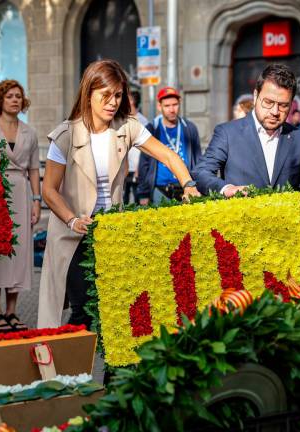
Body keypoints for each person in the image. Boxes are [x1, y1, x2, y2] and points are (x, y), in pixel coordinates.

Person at [37, 59, 201, 329]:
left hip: (110, 233)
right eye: (105, 95)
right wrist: (72, 220)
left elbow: (168, 156)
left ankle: (114, 372)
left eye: (118, 95)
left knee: (117, 312)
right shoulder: (66, 134)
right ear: (88, 93)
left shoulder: (127, 127)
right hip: (72, 233)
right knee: (83, 312)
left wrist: (188, 184)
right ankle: (69, 371)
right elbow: (49, 190)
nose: (112, 102)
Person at [194, 63, 300, 217]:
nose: (275, 112)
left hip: (285, 233)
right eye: (268, 102)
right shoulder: (227, 133)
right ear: (255, 96)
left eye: (283, 105)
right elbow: (202, 173)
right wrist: (227, 189)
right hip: (239, 230)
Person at [0, 79, 40, 334]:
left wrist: (37, 201)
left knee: (19, 254)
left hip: (22, 193)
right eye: (9, 96)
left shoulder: (30, 132)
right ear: (0, 100)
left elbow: (35, 169)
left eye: (18, 96)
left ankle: (12, 311)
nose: (15, 99)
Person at [137, 86, 202, 204]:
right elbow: (144, 163)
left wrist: (198, 185)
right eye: (167, 106)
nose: (172, 109)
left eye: (175, 104)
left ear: (179, 103)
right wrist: (143, 193)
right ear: (159, 106)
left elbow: (197, 160)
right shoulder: (152, 129)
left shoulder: (189, 128)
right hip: (159, 190)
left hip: (185, 188)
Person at [124, 86, 148, 204]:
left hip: (136, 168)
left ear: (132, 101)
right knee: (124, 199)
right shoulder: (123, 119)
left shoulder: (142, 121)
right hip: (125, 168)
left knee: (136, 198)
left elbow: (145, 148)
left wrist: (139, 169)